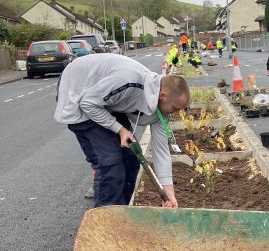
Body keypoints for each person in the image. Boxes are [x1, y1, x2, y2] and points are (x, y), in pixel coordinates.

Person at [55, 54, 190, 208]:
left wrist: (169, 194)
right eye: (174, 109)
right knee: (110, 164)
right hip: (78, 94)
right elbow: (88, 103)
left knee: (131, 160)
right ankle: (104, 221)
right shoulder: (129, 81)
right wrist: (119, 130)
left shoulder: (161, 108)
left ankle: (121, 213)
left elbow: (161, 151)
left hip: (104, 102)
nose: (175, 113)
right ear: (163, 96)